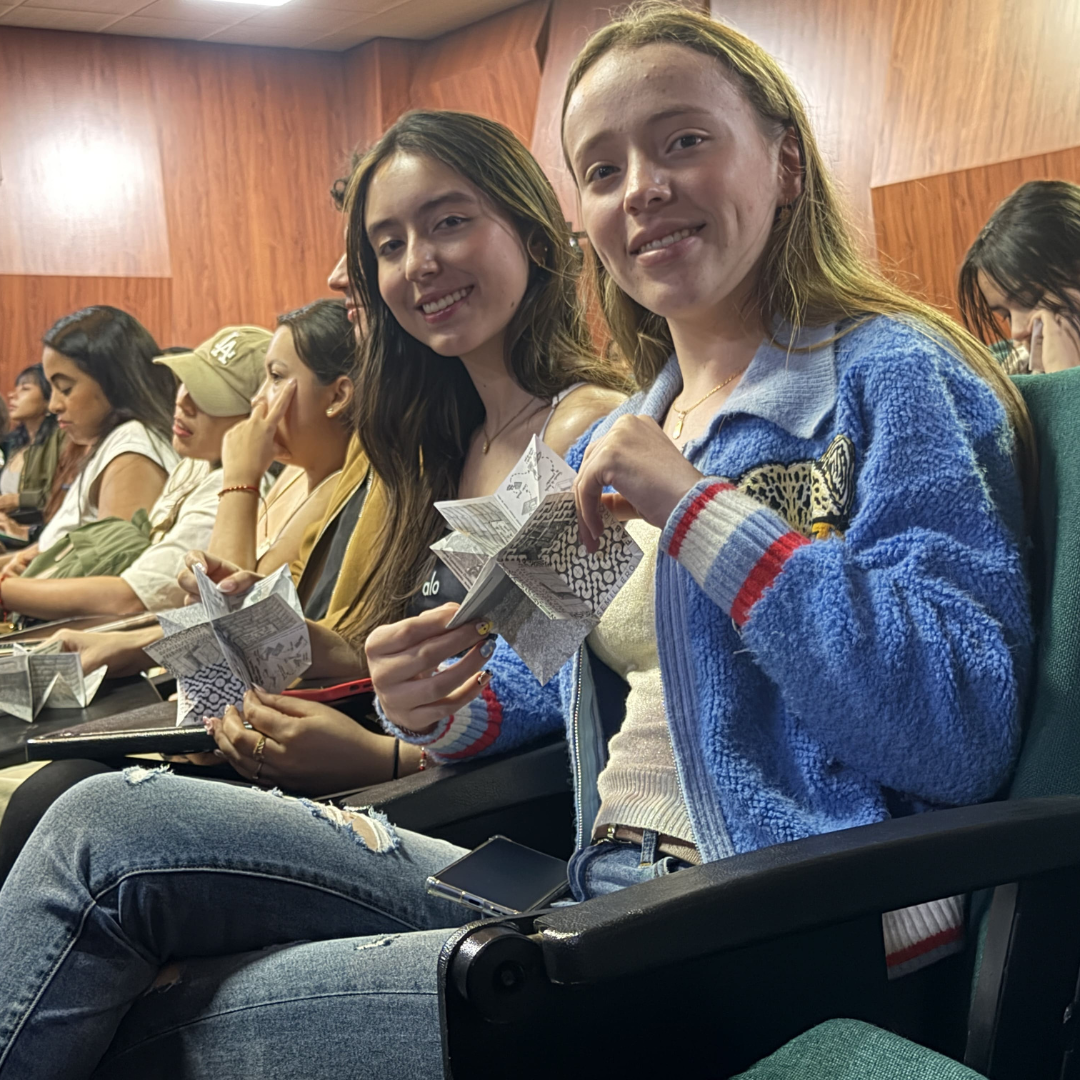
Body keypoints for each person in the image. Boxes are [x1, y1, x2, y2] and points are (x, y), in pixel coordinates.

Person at [0, 9, 1032, 1068]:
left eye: (684, 140)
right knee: (95, 829)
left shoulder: (886, 375)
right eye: (603, 167)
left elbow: (956, 728)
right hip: (592, 893)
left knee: (165, 1035)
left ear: (785, 162)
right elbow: (530, 677)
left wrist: (700, 510)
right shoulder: (649, 412)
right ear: (582, 212)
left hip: (770, 924)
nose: (643, 187)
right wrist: (432, 701)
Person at [52, 113, 628, 797]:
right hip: (409, 774)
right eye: (389, 244)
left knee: (84, 804)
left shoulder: (581, 429)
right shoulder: (439, 443)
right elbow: (433, 663)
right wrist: (313, 645)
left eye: (448, 222)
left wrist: (379, 758)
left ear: (535, 235)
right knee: (66, 783)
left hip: (480, 817)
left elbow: (565, 702)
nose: (417, 262)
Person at [0, 327, 270, 621]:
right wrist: (39, 559)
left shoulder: (221, 483)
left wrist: (10, 588)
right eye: (186, 383)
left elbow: (131, 599)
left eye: (209, 395)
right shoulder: (194, 465)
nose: (183, 402)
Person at [0, 307, 178, 582]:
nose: (55, 405)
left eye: (66, 388)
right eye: (52, 389)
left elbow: (111, 582)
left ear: (115, 382)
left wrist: (15, 589)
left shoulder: (133, 452)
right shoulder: (114, 442)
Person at [958, 179, 1080, 373]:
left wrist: (1065, 378)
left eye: (1030, 298)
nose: (1017, 331)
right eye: (1006, 316)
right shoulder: (1008, 370)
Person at [0, 365, 66, 542]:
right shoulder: (14, 443)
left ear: (48, 399)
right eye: (16, 388)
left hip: (38, 535)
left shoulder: (61, 438)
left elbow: (62, 494)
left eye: (25, 389)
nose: (12, 395)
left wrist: (17, 500)